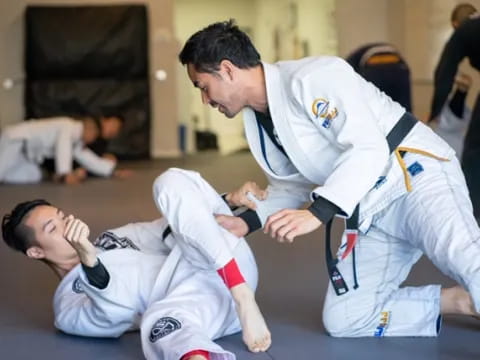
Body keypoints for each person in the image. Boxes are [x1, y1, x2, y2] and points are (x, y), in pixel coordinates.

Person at [179, 19, 480, 338]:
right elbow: (292, 184)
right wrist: (248, 223)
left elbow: (368, 147)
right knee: (347, 318)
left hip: (413, 175)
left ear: (227, 70)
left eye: (202, 86)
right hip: (371, 209)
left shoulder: (313, 77)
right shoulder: (259, 121)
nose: (206, 100)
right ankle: (461, 302)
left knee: (469, 260)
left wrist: (318, 213)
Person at [1, 168, 271, 359]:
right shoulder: (67, 308)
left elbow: (175, 225)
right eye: (53, 227)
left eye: (61, 216)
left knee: (169, 182)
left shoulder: (113, 238)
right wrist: (88, 259)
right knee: (158, 324)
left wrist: (227, 201)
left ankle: (241, 292)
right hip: (199, 307)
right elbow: (112, 315)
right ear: (36, 252)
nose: (66, 224)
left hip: (225, 266)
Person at [429, 3, 480, 218]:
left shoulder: (466, 29)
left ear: (455, 24)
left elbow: (444, 73)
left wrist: (434, 114)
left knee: (475, 151)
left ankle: (472, 214)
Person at [0, 115, 127, 185]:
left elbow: (88, 158)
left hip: (25, 157)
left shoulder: (76, 141)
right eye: (93, 136)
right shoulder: (68, 126)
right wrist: (65, 174)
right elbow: (63, 146)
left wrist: (111, 171)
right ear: (90, 129)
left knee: (35, 175)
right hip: (16, 139)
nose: (92, 140)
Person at [346, 43, 412, 112]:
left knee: (373, 106)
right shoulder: (356, 56)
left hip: (374, 71)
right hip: (400, 70)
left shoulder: (347, 64)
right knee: (403, 108)